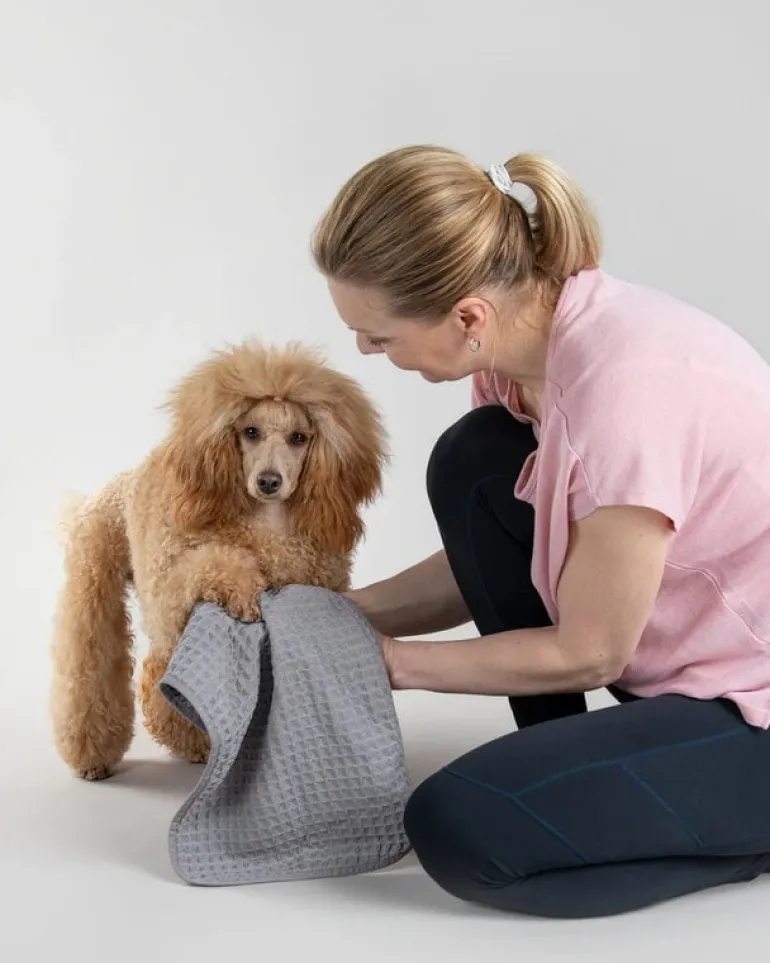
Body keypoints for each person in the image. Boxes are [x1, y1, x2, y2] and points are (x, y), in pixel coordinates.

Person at [310, 145, 770, 918]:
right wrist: (336, 615)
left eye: (378, 336)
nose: (362, 349)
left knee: (456, 825)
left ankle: (741, 833)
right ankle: (570, 764)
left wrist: (388, 665)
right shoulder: (524, 356)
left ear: (468, 317)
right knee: (473, 460)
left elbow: (594, 650)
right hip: (680, 660)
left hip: (750, 703)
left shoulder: (623, 395)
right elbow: (534, 549)